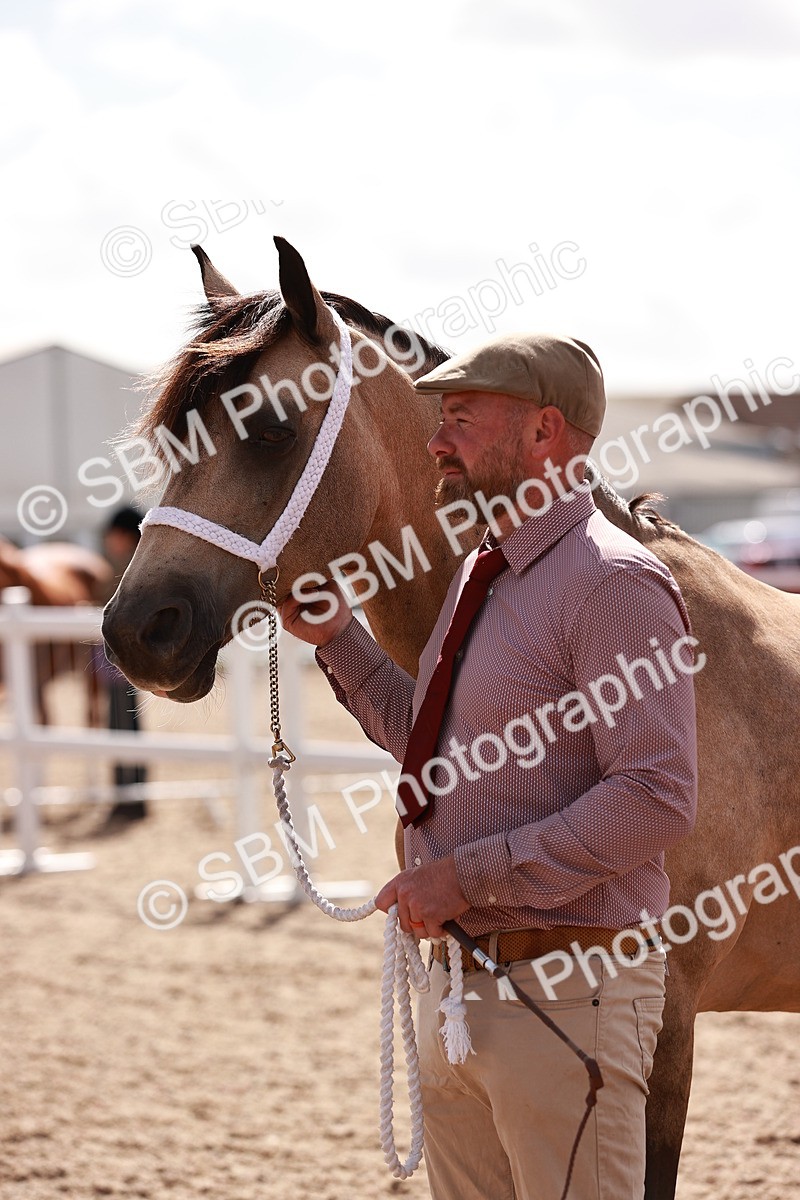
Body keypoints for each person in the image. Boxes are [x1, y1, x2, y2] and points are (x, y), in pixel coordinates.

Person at [280, 332, 698, 1200]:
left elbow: (656, 795)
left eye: (461, 420)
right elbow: (430, 746)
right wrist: (339, 639)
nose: (436, 441)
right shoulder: (485, 569)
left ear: (545, 433)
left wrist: (465, 878)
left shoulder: (613, 583)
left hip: (567, 989)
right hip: (464, 993)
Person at [93, 506, 149, 821]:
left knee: (122, 723)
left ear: (125, 536)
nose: (108, 540)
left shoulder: (128, 568)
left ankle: (130, 797)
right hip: (116, 661)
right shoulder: (121, 565)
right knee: (120, 723)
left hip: (122, 662)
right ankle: (128, 795)